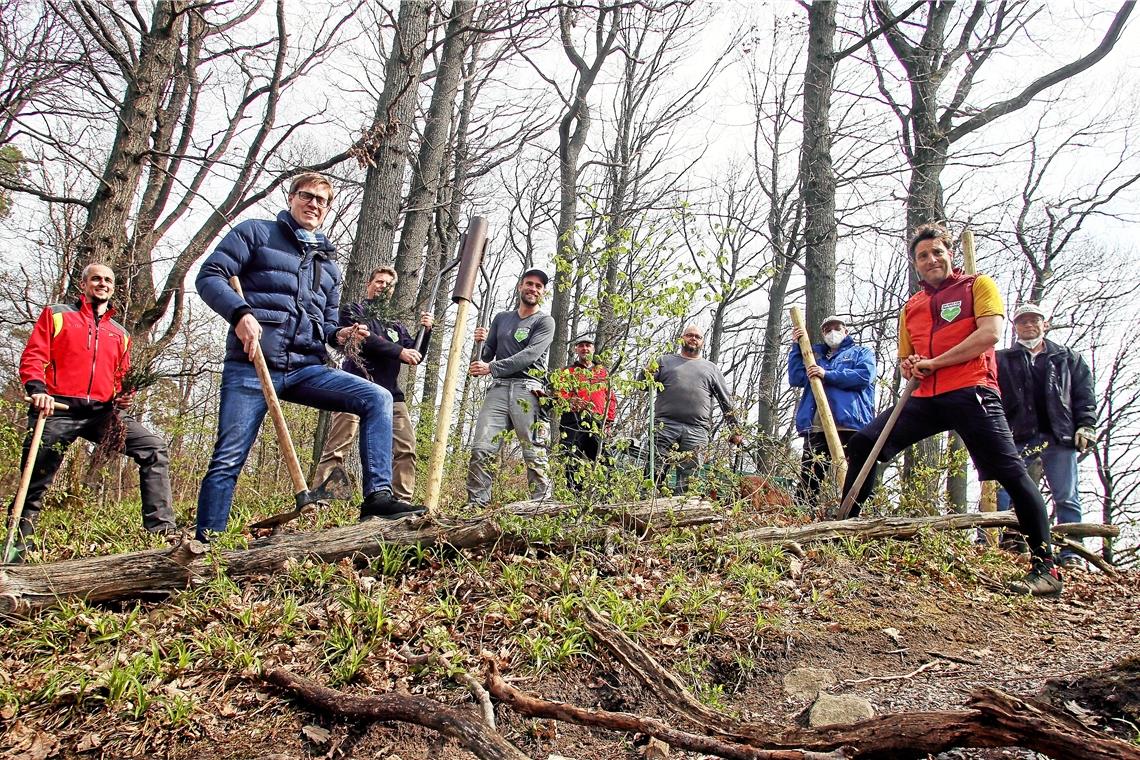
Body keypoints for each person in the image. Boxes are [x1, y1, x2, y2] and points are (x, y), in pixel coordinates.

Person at [841, 223, 1062, 595]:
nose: (931, 260)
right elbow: (906, 359)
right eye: (923, 256)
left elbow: (989, 334)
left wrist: (936, 362)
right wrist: (911, 365)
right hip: (925, 395)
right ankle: (844, 529)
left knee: (1010, 472)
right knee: (865, 443)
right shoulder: (911, 307)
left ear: (950, 254)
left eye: (937, 252)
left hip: (971, 389)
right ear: (915, 263)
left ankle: (1047, 569)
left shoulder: (978, 286)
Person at [194, 172, 418, 538]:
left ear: (327, 209)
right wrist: (240, 313)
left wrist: (340, 335)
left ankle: (377, 497)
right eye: (306, 195)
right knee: (229, 456)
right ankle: (208, 541)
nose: (313, 204)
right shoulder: (255, 233)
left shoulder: (328, 266)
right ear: (292, 198)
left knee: (377, 397)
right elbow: (210, 276)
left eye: (322, 200)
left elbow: (328, 326)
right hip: (252, 366)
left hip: (305, 368)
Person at [8, 263, 176, 561]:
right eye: (96, 279)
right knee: (35, 480)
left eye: (108, 280)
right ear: (83, 285)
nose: (102, 283)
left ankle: (162, 533)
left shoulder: (119, 333)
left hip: (102, 413)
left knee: (153, 448)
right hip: (56, 408)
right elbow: (34, 355)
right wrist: (38, 390)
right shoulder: (57, 315)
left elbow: (121, 375)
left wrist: (124, 395)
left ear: (113, 288)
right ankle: (16, 554)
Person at [312, 266, 433, 503]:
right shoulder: (353, 311)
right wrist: (399, 351)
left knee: (405, 448)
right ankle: (321, 498)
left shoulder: (395, 325)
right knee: (338, 445)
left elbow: (415, 353)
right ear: (369, 284)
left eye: (388, 284)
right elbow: (365, 340)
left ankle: (401, 501)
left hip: (391, 394)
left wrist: (426, 331)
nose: (383, 287)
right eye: (379, 282)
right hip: (355, 388)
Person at [995, 303, 1096, 569]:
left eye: (1034, 320)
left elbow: (1084, 395)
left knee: (1066, 495)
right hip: (1017, 434)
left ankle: (1071, 551)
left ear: (1045, 324)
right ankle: (1006, 543)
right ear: (1015, 327)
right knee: (1007, 490)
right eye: (1023, 321)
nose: (1029, 325)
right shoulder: (1002, 359)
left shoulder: (1068, 358)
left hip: (1059, 435)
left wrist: (1086, 425)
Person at [466, 268, 556, 506]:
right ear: (520, 286)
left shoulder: (544, 321)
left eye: (538, 286)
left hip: (529, 389)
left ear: (543, 292)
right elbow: (484, 357)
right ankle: (476, 504)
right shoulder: (501, 318)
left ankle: (541, 506)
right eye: (529, 283)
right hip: (498, 388)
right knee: (482, 448)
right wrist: (479, 344)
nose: (533, 288)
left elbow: (529, 355)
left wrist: (491, 367)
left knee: (534, 450)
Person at [788, 315, 876, 508]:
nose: (832, 332)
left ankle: (862, 513)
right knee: (810, 477)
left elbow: (864, 376)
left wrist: (827, 374)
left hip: (851, 424)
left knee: (858, 475)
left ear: (846, 331)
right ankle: (803, 513)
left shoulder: (860, 353)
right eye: (827, 330)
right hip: (818, 426)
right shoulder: (815, 356)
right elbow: (795, 377)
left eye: (837, 328)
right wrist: (796, 346)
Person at [646, 324, 744, 493]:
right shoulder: (664, 361)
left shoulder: (711, 369)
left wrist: (735, 429)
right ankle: (647, 506)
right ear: (681, 338)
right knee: (654, 473)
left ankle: (683, 510)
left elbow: (726, 400)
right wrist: (647, 371)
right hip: (665, 426)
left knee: (688, 482)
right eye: (689, 335)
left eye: (698, 337)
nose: (693, 338)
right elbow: (643, 384)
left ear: (702, 342)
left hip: (697, 431)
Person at [552, 336, 617, 492]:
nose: (584, 348)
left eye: (588, 345)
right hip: (573, 421)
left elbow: (611, 398)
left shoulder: (602, 372)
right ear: (576, 349)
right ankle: (573, 496)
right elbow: (559, 394)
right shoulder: (567, 371)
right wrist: (571, 400)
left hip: (597, 422)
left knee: (605, 460)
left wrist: (608, 421)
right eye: (581, 346)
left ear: (593, 349)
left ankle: (607, 497)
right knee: (571, 460)